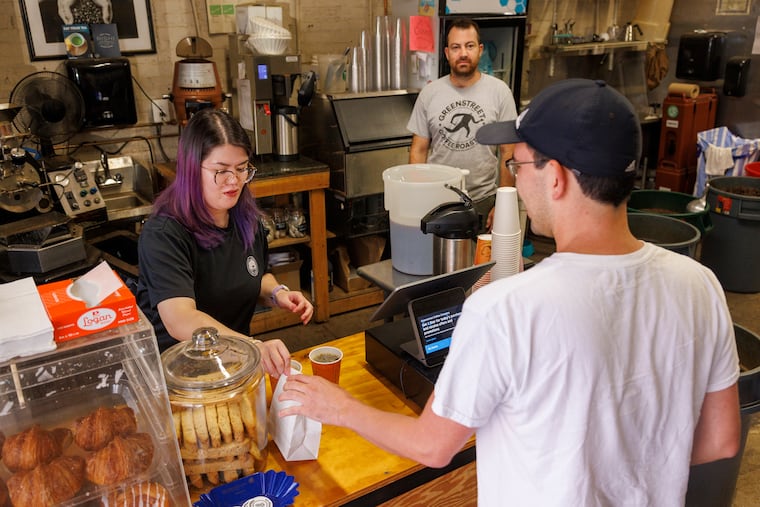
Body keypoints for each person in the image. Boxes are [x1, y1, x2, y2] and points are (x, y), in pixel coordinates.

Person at [279, 79, 742, 505]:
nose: (515, 179)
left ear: (555, 176)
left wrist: (340, 407)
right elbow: (720, 438)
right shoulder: (699, 284)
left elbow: (432, 446)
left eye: (516, 164)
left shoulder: (504, 309)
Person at [136, 109, 313, 378]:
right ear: (192, 170)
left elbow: (253, 272)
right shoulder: (164, 233)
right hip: (179, 377)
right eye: (221, 171)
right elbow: (180, 318)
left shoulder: (245, 219)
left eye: (242, 169)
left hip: (233, 367)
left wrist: (278, 293)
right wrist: (253, 348)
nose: (234, 181)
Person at [406, 17, 517, 232]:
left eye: (470, 46)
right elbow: (418, 151)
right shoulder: (430, 93)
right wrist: (418, 198)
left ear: (480, 50)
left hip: (483, 201)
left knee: (483, 264)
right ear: (447, 53)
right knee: (438, 265)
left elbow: (509, 153)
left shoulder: (500, 92)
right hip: (437, 200)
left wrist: (503, 205)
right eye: (456, 47)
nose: (463, 53)